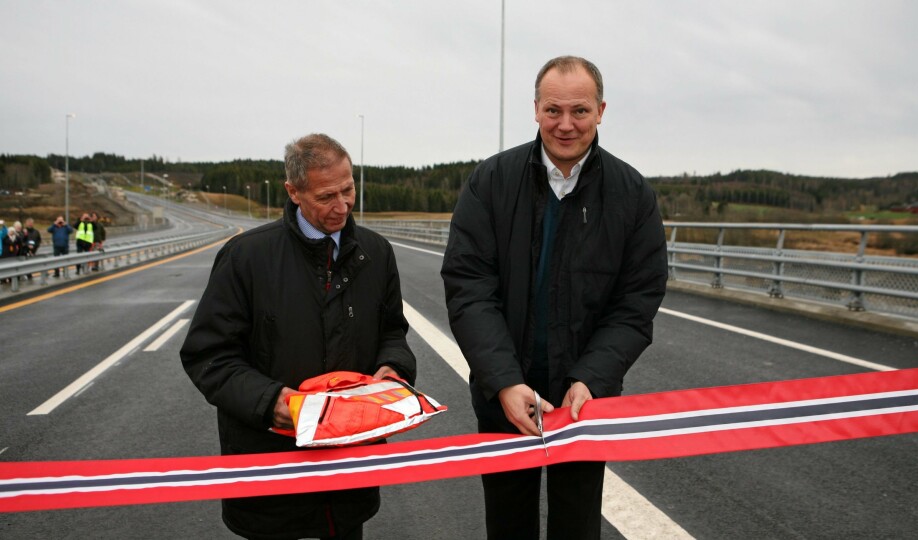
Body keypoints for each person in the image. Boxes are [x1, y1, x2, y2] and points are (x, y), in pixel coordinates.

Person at [441, 56, 669, 539]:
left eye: (580, 111)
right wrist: (503, 381)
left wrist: (592, 376)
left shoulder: (632, 195)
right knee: (508, 524)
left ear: (602, 110)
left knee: (578, 525)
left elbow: (637, 301)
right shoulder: (490, 182)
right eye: (553, 111)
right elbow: (468, 287)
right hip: (503, 395)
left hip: (584, 401)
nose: (566, 125)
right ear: (536, 110)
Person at [180, 133, 416, 540]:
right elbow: (209, 356)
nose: (341, 206)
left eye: (348, 190)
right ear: (293, 192)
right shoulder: (247, 257)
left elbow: (393, 331)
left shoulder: (376, 253)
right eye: (326, 196)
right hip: (269, 475)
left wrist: (392, 372)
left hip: (348, 476)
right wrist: (271, 402)